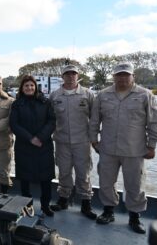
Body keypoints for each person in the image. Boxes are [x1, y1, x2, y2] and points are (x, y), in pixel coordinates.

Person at [89, 63, 157, 234]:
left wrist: (152, 145)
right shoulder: (103, 95)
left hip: (134, 150)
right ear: (113, 77)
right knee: (106, 182)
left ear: (133, 76)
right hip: (107, 149)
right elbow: (94, 120)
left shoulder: (145, 95)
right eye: (119, 75)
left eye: (126, 75)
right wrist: (94, 141)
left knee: (135, 185)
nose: (122, 78)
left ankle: (134, 217)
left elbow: (155, 122)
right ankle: (108, 212)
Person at [48, 65, 97, 219]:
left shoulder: (88, 94)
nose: (70, 76)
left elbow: (95, 119)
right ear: (62, 76)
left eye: (73, 74)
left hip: (82, 141)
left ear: (78, 75)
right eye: (67, 74)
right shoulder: (55, 95)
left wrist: (94, 139)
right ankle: (63, 199)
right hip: (61, 141)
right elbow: (49, 118)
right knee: (64, 172)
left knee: (84, 174)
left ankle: (86, 203)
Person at [9, 75, 56, 216]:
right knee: (25, 177)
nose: (29, 88)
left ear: (35, 87)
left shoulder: (45, 102)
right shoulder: (17, 104)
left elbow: (52, 121)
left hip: (44, 145)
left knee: (46, 178)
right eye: (26, 86)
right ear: (22, 88)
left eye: (31, 85)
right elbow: (14, 124)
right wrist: (30, 138)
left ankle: (45, 205)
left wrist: (40, 137)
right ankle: (27, 205)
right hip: (24, 146)